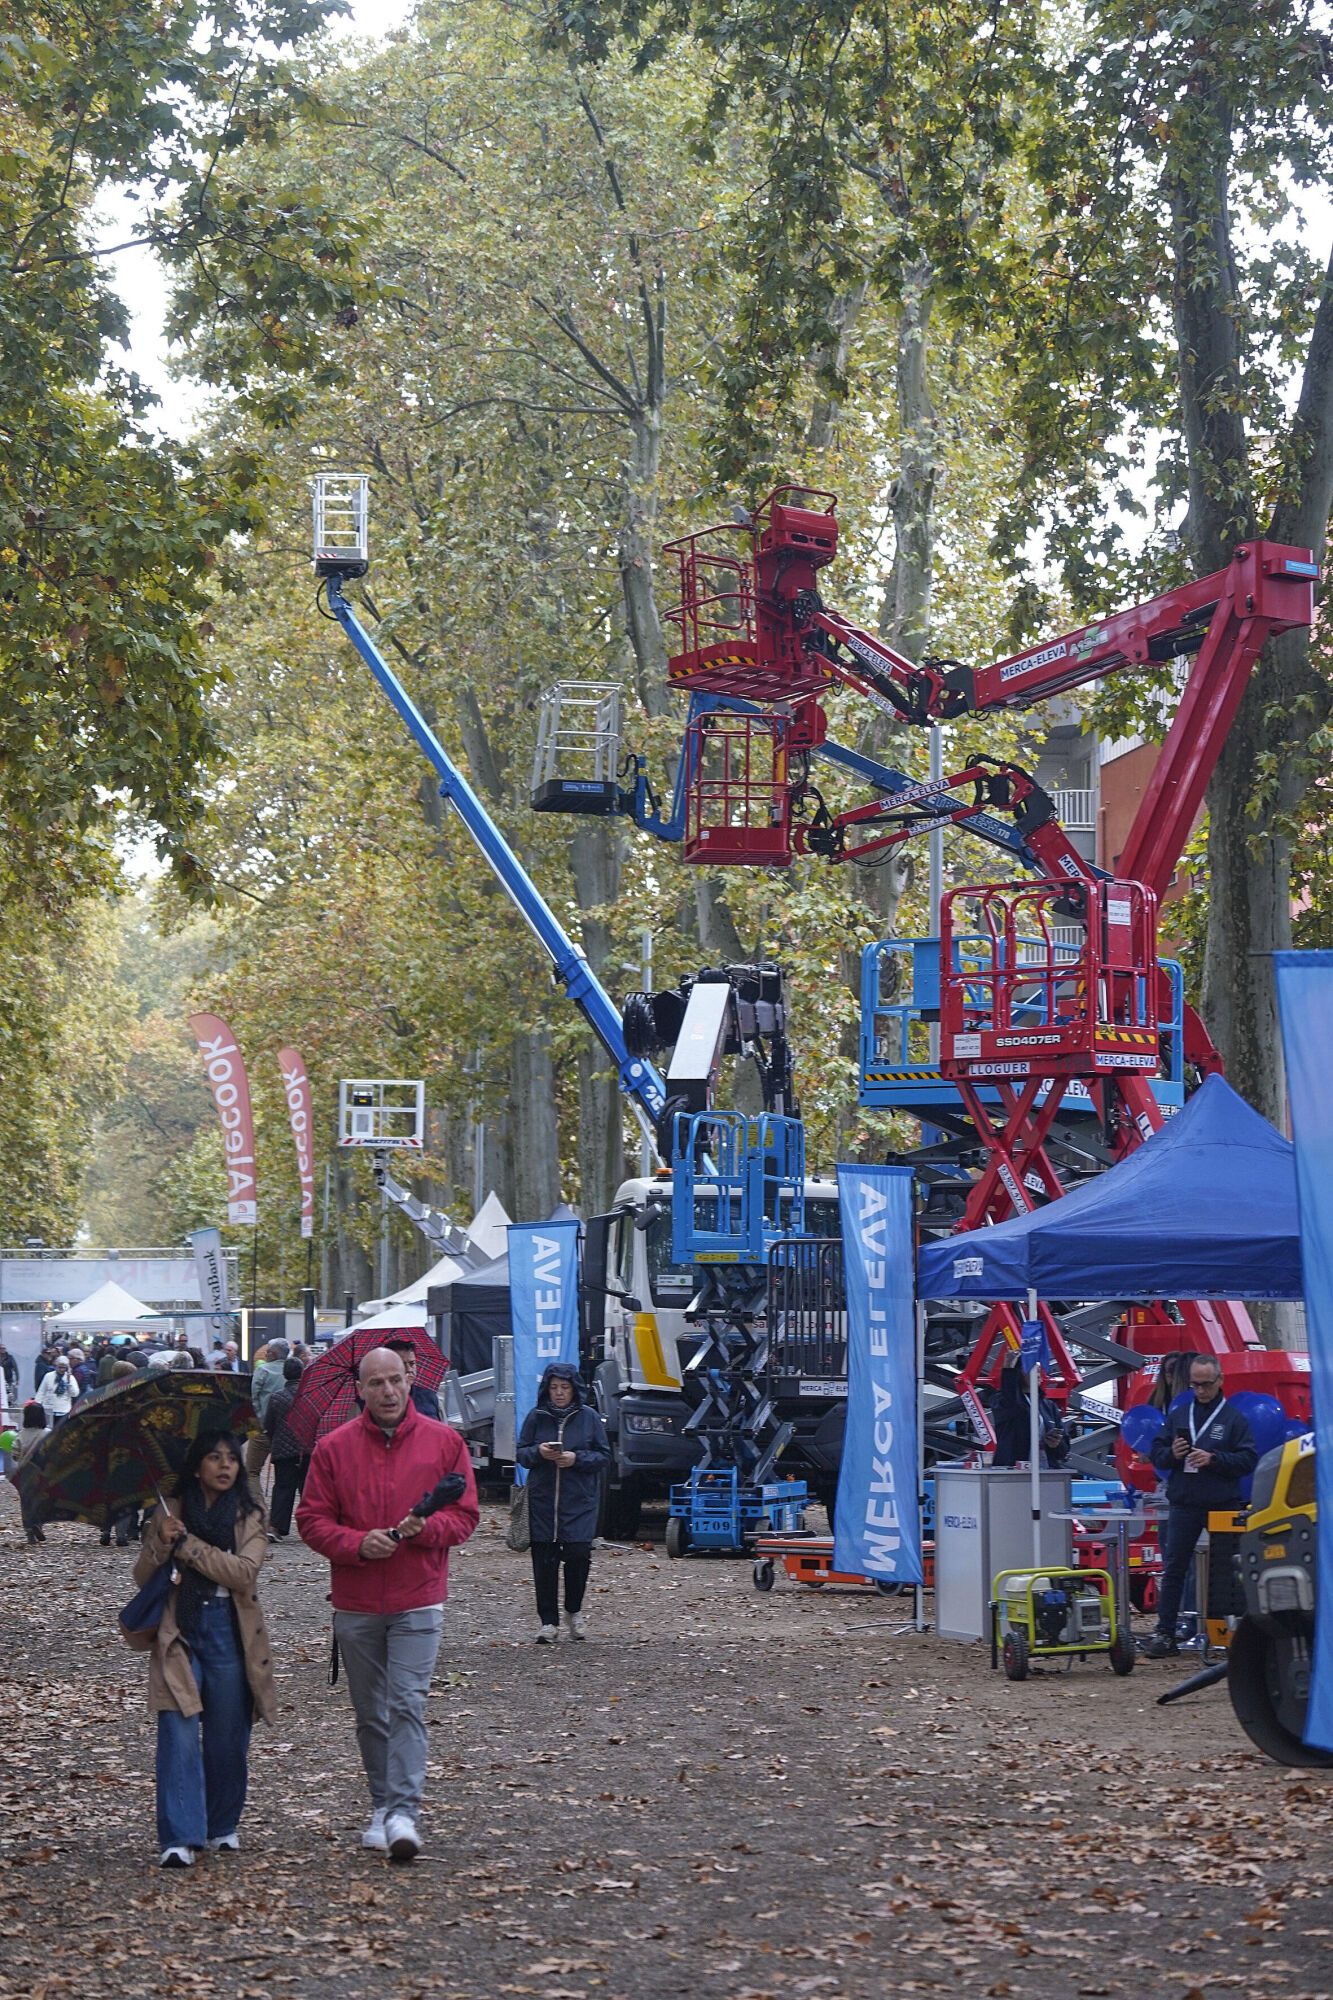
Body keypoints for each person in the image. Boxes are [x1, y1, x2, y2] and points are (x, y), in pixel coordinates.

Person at [297, 1347, 478, 1863]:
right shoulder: (332, 1449)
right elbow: (311, 1520)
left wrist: (426, 1531)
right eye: (376, 1383)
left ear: (411, 1379)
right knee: (370, 1712)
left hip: (418, 1597)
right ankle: (381, 1804)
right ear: (360, 1389)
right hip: (356, 1602)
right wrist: (357, 1544)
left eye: (395, 1380)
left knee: (407, 1703)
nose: (388, 1392)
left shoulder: (445, 1443)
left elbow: (464, 1517)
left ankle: (403, 1812)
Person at [134, 1430, 276, 1867]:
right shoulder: (169, 1510)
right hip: (180, 1630)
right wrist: (161, 1542)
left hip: (231, 1631)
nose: (225, 1466)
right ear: (198, 1465)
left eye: (232, 1458)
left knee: (227, 1739)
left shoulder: (251, 1515)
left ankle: (221, 1824)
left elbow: (242, 1573)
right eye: (214, 1457)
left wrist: (187, 1546)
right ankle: (179, 1836)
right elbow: (142, 1577)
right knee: (177, 1728)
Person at [1142, 1354, 1257, 1658]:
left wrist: (1214, 1459)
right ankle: (1165, 1633)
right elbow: (1156, 1451)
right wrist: (1173, 1453)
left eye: (1206, 1384)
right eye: (1195, 1385)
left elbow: (1248, 1460)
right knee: (1174, 1568)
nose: (1201, 1390)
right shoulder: (1180, 1414)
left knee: (1230, 1570)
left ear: (1219, 1381)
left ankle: (1236, 1633)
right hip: (1185, 1502)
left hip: (1222, 1503)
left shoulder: (1234, 1418)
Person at [515, 1362, 611, 1645]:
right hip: (543, 1502)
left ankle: (574, 1610)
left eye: (565, 1388)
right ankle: (548, 1622)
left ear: (574, 1389)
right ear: (547, 1388)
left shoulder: (589, 1417)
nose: (559, 1393)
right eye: (554, 1387)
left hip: (578, 1501)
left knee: (579, 1555)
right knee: (544, 1562)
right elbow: (521, 1453)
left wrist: (576, 1459)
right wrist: (539, 1452)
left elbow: (604, 1456)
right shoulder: (536, 1416)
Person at [989, 1352, 1070, 1469]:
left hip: (1046, 1470)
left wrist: (1056, 1444)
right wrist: (1008, 1369)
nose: (1037, 1374)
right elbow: (1011, 1401)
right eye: (1030, 1369)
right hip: (1013, 1471)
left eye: (1038, 1370)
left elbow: (1063, 1449)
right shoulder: (1001, 1401)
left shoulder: (1049, 1405)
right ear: (1018, 1373)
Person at [264, 1357, 309, 1539]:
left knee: (283, 1488)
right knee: (308, 1490)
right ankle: (311, 1526)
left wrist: (273, 1439)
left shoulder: (276, 1398)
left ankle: (277, 1527)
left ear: (284, 1374)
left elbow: (269, 1424)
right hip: (307, 1450)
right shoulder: (309, 1396)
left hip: (283, 1451)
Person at [246, 1340, 289, 1487]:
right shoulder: (292, 1370)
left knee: (251, 1472)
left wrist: (259, 1421)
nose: (266, 1354)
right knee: (284, 1476)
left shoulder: (263, 1370)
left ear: (274, 1354)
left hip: (262, 1429)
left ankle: (259, 1506)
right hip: (285, 1432)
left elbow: (254, 1398)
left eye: (268, 1352)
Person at [383, 1335, 441, 1421]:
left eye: (412, 1363)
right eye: (402, 1364)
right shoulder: (380, 1399)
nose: (409, 1369)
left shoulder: (428, 1396)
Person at [15, 1402, 49, 1542]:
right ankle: (38, 1524)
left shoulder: (21, 1435)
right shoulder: (47, 1433)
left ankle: (29, 1531)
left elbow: (15, 1454)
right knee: (42, 1500)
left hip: (24, 1472)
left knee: (26, 1502)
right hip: (43, 1472)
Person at [36, 1353, 79, 1423]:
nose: (62, 1369)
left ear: (67, 1368)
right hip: (49, 1410)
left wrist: (68, 1382)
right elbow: (41, 1392)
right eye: (60, 1367)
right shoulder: (48, 1376)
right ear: (56, 1366)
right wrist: (37, 1405)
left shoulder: (70, 1378)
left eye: (64, 1367)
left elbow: (74, 1394)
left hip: (64, 1410)